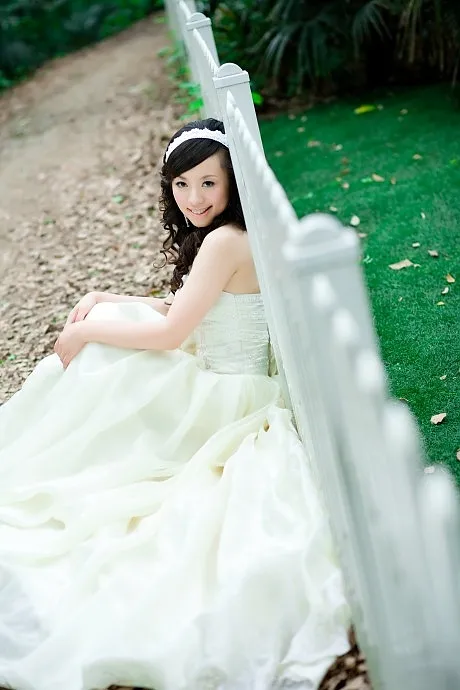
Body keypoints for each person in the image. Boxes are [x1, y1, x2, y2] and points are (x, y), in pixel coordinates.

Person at [0, 118, 350, 690]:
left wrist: (87, 330)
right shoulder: (232, 235)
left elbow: (170, 334)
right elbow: (185, 308)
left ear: (233, 181)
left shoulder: (224, 241)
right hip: (220, 375)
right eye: (182, 185)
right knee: (112, 326)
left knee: (102, 355)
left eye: (209, 183)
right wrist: (105, 298)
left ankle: (49, 457)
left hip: (225, 396)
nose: (194, 198)